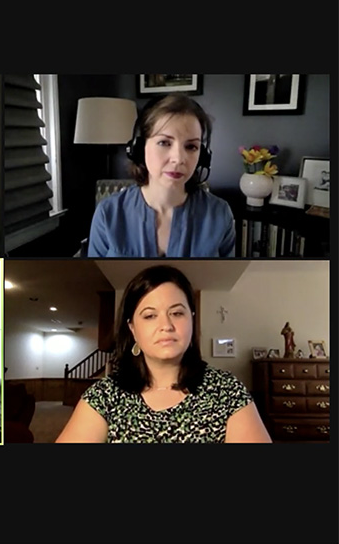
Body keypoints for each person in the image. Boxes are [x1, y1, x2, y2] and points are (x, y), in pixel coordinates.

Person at [56, 265, 271, 443]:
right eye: (150, 316)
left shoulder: (227, 391)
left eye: (177, 313)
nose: (166, 325)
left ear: (192, 319)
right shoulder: (104, 396)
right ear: (132, 329)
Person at [88, 94, 235, 257]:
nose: (178, 159)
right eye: (164, 143)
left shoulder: (220, 214)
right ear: (140, 147)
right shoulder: (108, 214)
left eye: (191, 146)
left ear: (203, 155)